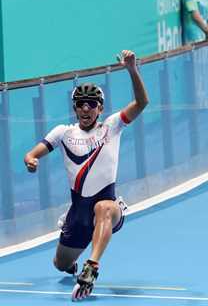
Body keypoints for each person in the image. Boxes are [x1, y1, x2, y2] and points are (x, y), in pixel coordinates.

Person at [23, 50, 149, 301]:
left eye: (91, 103)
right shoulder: (63, 132)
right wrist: (31, 159)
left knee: (103, 208)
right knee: (59, 263)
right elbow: (33, 152)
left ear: (100, 108)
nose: (85, 108)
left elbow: (142, 102)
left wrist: (132, 70)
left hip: (108, 206)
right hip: (78, 214)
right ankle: (74, 264)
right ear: (75, 108)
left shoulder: (112, 126)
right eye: (80, 103)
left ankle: (91, 267)